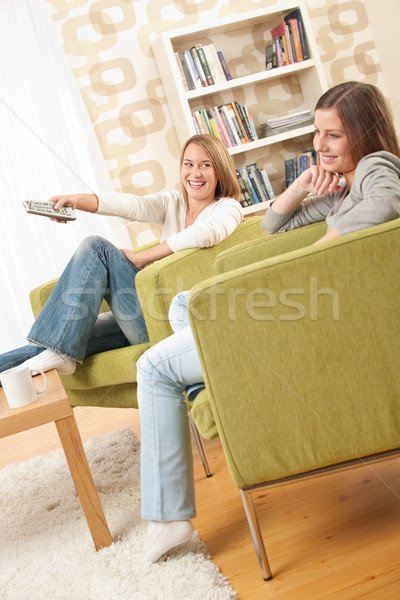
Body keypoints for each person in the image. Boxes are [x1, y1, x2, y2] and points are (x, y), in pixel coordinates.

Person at [136, 81, 400, 563]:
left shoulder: (377, 169)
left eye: (333, 135)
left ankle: (168, 518)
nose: (319, 145)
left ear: (365, 134)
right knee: (181, 305)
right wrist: (302, 184)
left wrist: (318, 253)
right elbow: (275, 224)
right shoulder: (346, 185)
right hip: (311, 313)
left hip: (312, 322)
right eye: (316, 133)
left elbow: (388, 204)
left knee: (153, 368)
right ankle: (219, 375)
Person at [0, 134, 242, 377]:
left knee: (97, 248)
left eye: (205, 165)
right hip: (140, 316)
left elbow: (204, 234)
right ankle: (56, 354)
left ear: (219, 171)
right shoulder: (174, 201)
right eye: (188, 164)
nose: (195, 173)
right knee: (52, 342)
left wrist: (145, 257)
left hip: (168, 326)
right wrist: (76, 201)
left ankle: (60, 351)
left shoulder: (228, 208)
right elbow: (132, 205)